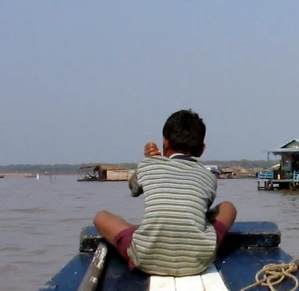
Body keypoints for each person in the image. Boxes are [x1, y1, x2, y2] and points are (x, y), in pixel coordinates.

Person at [93, 109, 237, 277]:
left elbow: (134, 188)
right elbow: (203, 208)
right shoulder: (208, 176)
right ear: (202, 149)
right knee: (228, 207)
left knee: (101, 217)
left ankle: (150, 235)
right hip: (197, 263)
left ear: (165, 142)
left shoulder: (149, 165)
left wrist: (150, 160)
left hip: (146, 259)